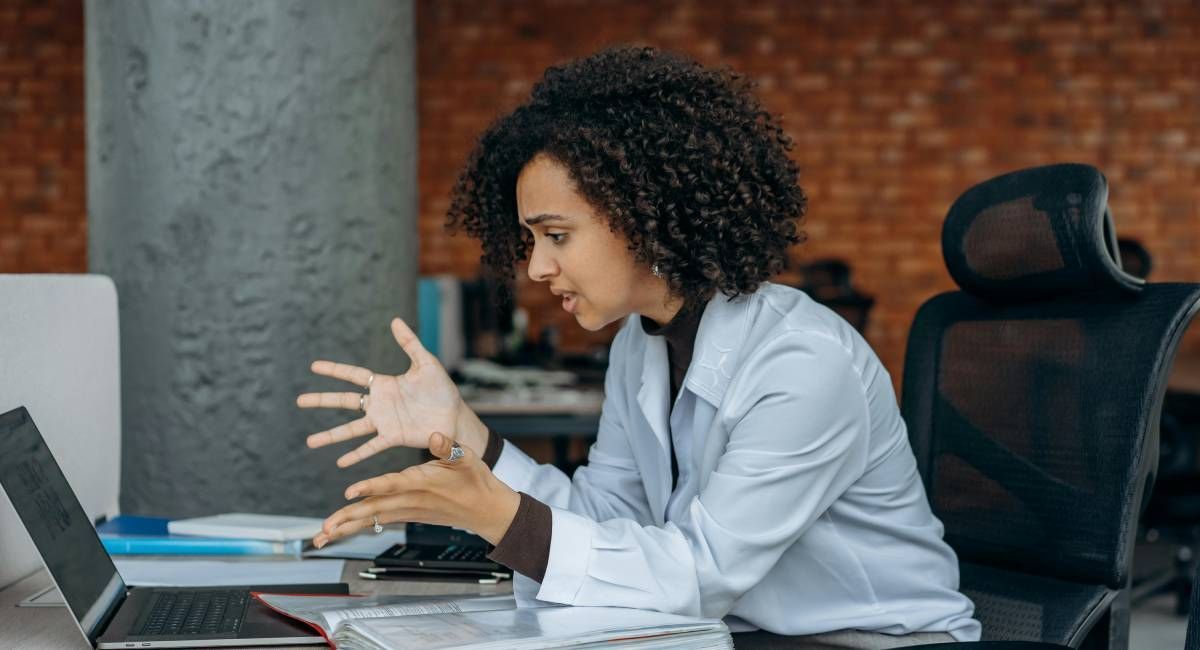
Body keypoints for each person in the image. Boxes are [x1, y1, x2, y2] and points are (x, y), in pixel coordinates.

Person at [297, 46, 981, 648]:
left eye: (556, 236)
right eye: (530, 240)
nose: (536, 268)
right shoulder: (641, 343)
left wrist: (493, 514)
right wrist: (465, 435)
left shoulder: (803, 362)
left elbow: (700, 574)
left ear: (645, 218)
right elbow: (605, 521)